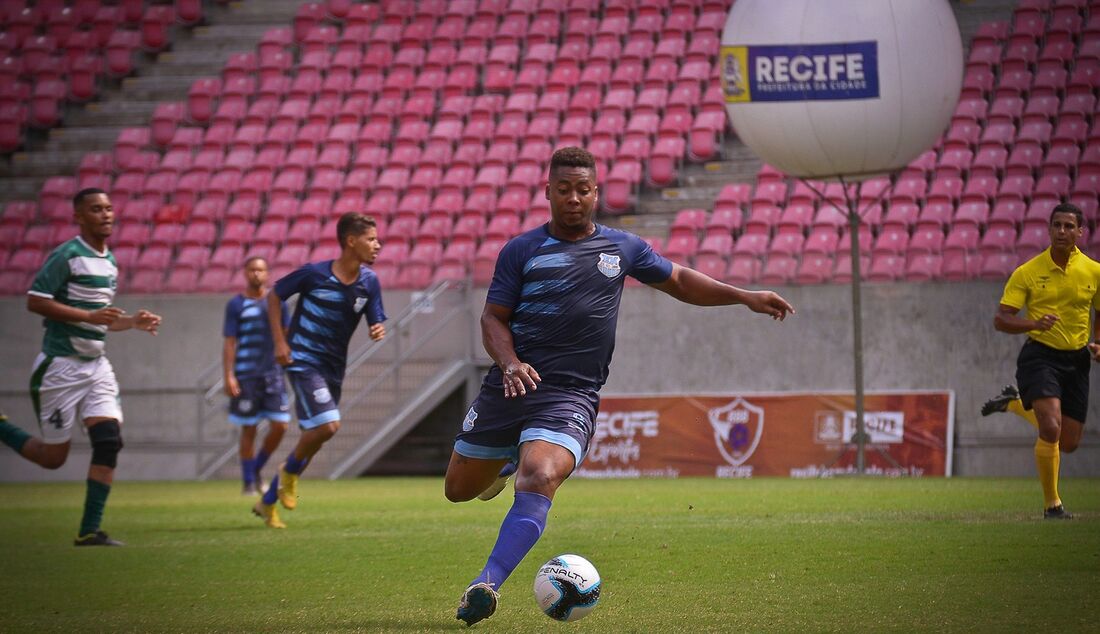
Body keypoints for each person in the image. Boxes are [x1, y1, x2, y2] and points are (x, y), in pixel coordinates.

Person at [446, 147, 795, 626]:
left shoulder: (622, 249)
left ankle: (485, 584)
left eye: (583, 189)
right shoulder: (521, 251)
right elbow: (492, 318)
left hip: (570, 393)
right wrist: (508, 362)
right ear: (548, 192)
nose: (574, 198)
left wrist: (744, 297)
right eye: (564, 189)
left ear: (596, 192)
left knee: (541, 476)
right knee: (458, 491)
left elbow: (681, 280)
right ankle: (506, 459)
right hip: (509, 386)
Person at [0, 188, 162, 546]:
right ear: (78, 216)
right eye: (95, 209)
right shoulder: (67, 255)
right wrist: (89, 315)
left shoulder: (110, 261)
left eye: (108, 208)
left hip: (96, 367)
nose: (105, 214)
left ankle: (90, 530)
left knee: (109, 442)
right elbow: (35, 301)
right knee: (52, 459)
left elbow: (101, 320)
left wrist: (132, 321)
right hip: (60, 367)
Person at [251, 212, 387, 528]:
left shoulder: (369, 282)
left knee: (315, 437)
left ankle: (268, 501)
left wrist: (377, 328)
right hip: (302, 359)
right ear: (351, 241)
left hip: (334, 368)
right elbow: (275, 295)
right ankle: (287, 474)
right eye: (371, 239)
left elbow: (374, 318)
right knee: (328, 427)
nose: (377, 245)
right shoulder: (313, 274)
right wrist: (280, 343)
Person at [984, 202, 1100, 520]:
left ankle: (1013, 404)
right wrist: (1033, 324)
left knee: (1069, 441)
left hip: (1077, 360)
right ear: (1048, 229)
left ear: (1080, 232)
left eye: (1068, 226)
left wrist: (1097, 341)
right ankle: (1053, 505)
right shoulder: (1028, 271)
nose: (1062, 231)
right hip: (1040, 356)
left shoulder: (1094, 271)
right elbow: (1001, 319)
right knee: (1050, 428)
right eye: (1056, 225)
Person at [223, 256, 291, 495]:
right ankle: (248, 483)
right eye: (252, 270)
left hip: (272, 375)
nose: (256, 274)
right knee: (249, 429)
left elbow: (286, 335)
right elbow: (230, 343)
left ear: (268, 273)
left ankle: (256, 469)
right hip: (246, 375)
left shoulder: (277, 303)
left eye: (261, 270)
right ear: (245, 272)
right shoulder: (236, 305)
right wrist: (229, 376)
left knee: (281, 425)